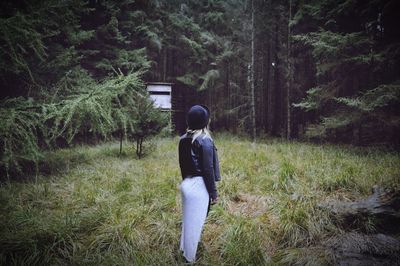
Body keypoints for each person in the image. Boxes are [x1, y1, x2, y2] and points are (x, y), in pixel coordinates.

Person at [178, 104, 221, 263]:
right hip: (199, 186)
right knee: (195, 226)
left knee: (187, 221)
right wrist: (214, 193)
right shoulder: (205, 140)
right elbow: (208, 169)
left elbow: (182, 164)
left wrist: (186, 182)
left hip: (187, 184)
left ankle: (183, 250)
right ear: (205, 121)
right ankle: (189, 259)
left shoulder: (183, 139)